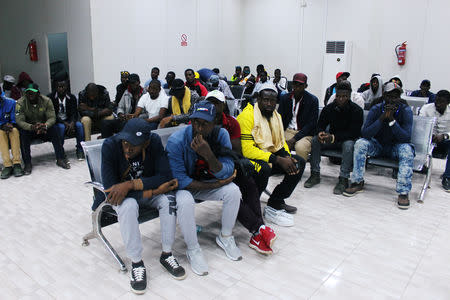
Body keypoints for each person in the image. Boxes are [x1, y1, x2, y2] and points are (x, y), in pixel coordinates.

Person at [102, 118, 208, 294]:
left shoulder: (154, 142)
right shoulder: (110, 146)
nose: (127, 148)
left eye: (134, 145)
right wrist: (151, 191)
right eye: (125, 142)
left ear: (146, 143)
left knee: (168, 200)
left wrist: (130, 184)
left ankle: (167, 254)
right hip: (125, 199)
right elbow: (110, 191)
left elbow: (165, 176)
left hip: (144, 192)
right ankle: (137, 263)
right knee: (128, 206)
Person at [166, 100, 243, 261]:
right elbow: (180, 180)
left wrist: (209, 155)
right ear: (191, 121)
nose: (199, 128)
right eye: (196, 122)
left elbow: (228, 170)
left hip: (205, 183)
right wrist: (217, 184)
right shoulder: (177, 141)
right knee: (185, 201)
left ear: (214, 122)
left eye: (205, 124)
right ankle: (193, 249)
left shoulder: (221, 135)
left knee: (234, 191)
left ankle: (226, 236)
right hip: (184, 188)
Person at [205, 90, 277, 254]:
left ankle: (259, 228)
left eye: (217, 103)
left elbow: (236, 151)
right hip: (207, 168)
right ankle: (259, 228)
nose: (213, 106)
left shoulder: (231, 123)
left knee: (249, 183)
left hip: (229, 165)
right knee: (234, 192)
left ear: (223, 105)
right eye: (210, 102)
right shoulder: (199, 121)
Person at [237, 83, 305, 225]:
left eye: (272, 101)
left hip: (269, 157)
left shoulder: (276, 116)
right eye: (265, 100)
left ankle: (276, 201)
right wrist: (278, 160)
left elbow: (280, 141)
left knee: (298, 163)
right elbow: (247, 150)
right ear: (258, 99)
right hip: (247, 160)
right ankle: (250, 205)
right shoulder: (247, 116)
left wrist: (287, 156)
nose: (269, 104)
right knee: (264, 169)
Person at [344, 82, 414, 210]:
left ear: (399, 97)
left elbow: (406, 137)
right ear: (384, 96)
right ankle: (357, 181)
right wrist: (381, 119)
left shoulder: (405, 111)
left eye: (395, 96)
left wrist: (392, 121)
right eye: (389, 96)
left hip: (395, 147)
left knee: (407, 150)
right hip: (378, 145)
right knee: (360, 144)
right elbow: (365, 133)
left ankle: (403, 192)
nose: (392, 100)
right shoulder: (376, 109)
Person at [304, 81, 364, 194]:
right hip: (330, 139)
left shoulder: (357, 110)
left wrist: (332, 137)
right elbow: (320, 125)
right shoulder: (329, 108)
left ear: (349, 95)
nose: (341, 99)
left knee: (349, 145)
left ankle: (343, 179)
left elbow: (354, 133)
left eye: (344, 96)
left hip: (345, 140)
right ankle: (315, 174)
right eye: (338, 96)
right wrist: (321, 133)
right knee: (315, 140)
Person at [16, 83, 70, 174]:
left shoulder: (46, 101)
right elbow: (19, 120)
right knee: (23, 134)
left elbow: (52, 117)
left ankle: (60, 158)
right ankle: (27, 163)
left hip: (44, 128)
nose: (30, 94)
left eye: (32, 92)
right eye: (28, 92)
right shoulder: (20, 103)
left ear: (38, 93)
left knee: (54, 129)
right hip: (30, 129)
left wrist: (45, 125)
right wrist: (31, 127)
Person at [278, 73, 319, 161]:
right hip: (288, 130)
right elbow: (279, 118)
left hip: (305, 133)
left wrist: (294, 139)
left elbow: (311, 124)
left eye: (301, 85)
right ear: (292, 84)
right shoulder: (285, 98)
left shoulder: (312, 100)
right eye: (295, 84)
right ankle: (282, 167)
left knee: (301, 148)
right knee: (277, 144)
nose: (297, 87)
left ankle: (298, 171)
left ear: (306, 86)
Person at [48, 80, 85, 160]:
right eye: (59, 87)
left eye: (63, 86)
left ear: (66, 87)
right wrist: (64, 123)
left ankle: (80, 150)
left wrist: (72, 122)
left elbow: (75, 113)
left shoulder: (71, 97)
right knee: (60, 128)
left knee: (79, 126)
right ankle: (60, 151)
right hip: (57, 121)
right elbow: (52, 115)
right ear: (56, 87)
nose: (61, 89)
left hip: (69, 120)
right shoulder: (50, 98)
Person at [101, 74, 145, 138]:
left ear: (138, 82)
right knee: (105, 123)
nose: (131, 85)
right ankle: (108, 144)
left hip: (138, 121)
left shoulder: (145, 94)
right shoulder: (126, 92)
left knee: (124, 126)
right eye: (129, 83)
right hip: (125, 119)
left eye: (133, 83)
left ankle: (122, 144)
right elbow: (120, 107)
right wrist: (120, 114)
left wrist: (134, 116)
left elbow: (147, 113)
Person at [419, 90, 450, 160]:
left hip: (445, 140)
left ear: (448, 103)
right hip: (427, 139)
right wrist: (430, 135)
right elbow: (420, 126)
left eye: (442, 102)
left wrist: (444, 136)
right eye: (437, 101)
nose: (438, 104)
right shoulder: (426, 108)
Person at [0, 88, 23, 178]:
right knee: (0, 134)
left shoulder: (11, 102)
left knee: (14, 131)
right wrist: (2, 126)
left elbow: (16, 117)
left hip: (11, 126)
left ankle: (17, 163)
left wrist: (11, 124)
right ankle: (7, 165)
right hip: (0, 128)